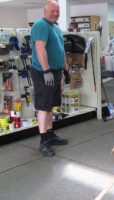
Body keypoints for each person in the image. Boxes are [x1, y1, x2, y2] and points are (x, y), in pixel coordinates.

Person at [31, 0, 68, 157]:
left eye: (58, 11)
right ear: (45, 11)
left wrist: (65, 70)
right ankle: (43, 141)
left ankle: (51, 134)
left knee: (51, 105)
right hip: (43, 72)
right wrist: (46, 70)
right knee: (43, 107)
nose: (56, 14)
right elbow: (40, 48)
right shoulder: (41, 25)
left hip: (56, 71)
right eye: (53, 11)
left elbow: (61, 50)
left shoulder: (56, 27)